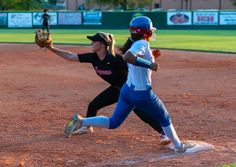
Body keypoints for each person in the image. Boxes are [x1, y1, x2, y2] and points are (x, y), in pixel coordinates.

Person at [64, 16, 195, 152]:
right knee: (165, 118)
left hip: (127, 90)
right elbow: (128, 58)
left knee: (114, 122)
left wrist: (151, 57)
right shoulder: (142, 43)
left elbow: (132, 60)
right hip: (142, 92)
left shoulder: (133, 43)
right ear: (147, 32)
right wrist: (149, 64)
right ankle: (179, 146)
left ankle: (82, 121)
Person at [44, 31, 170, 145]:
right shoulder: (93, 57)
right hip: (116, 89)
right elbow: (70, 56)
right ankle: (87, 127)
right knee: (93, 105)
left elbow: (134, 65)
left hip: (128, 90)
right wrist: (51, 48)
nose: (92, 43)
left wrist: (151, 58)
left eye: (94, 41)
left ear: (102, 44)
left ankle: (164, 133)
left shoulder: (116, 59)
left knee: (142, 114)